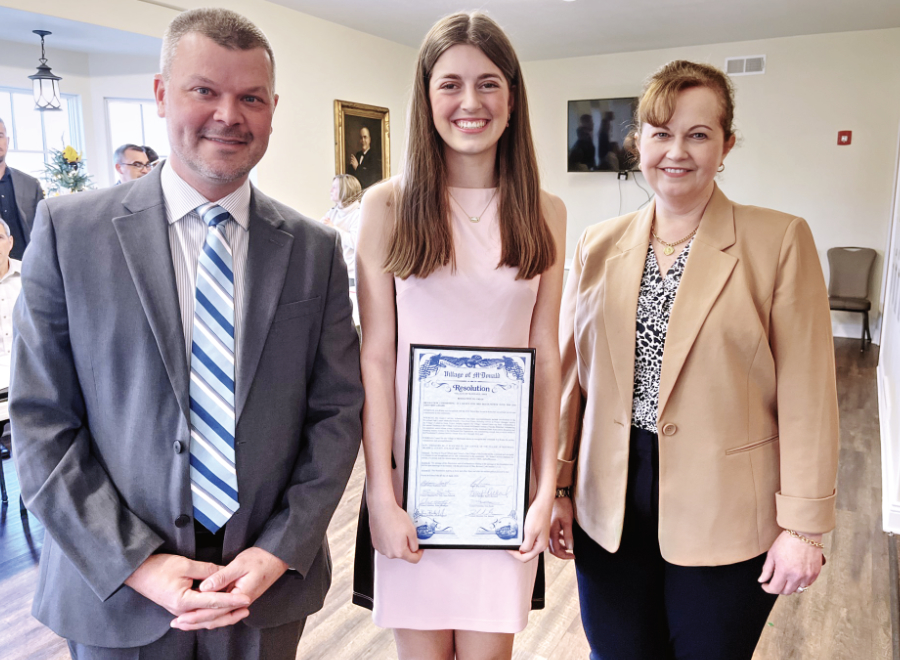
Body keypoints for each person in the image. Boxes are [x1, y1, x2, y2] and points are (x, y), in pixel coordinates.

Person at [11, 8, 363, 660]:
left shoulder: (315, 251)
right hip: (115, 592)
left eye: (251, 97)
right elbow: (40, 421)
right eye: (205, 90)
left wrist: (279, 549)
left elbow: (337, 416)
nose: (229, 115)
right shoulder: (67, 234)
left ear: (273, 109)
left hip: (262, 591)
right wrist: (137, 563)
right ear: (161, 93)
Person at [551, 60, 839, 660]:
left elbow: (808, 394)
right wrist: (557, 483)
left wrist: (804, 527)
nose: (676, 151)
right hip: (609, 504)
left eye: (698, 134)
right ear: (639, 142)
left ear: (726, 145)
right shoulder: (596, 244)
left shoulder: (779, 241)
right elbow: (572, 379)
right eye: (661, 133)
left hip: (726, 511)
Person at [353, 12, 566, 660]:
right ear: (426, 97)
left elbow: (546, 357)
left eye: (488, 83)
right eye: (450, 84)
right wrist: (379, 495)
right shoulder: (387, 207)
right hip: (416, 492)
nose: (470, 102)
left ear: (513, 97)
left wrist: (545, 490)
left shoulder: (546, 212)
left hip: (500, 492)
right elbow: (376, 357)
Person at [0, 118, 43, 260]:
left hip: (27, 265)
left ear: (7, 141)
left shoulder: (30, 184)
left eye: (0, 135)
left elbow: (43, 229)